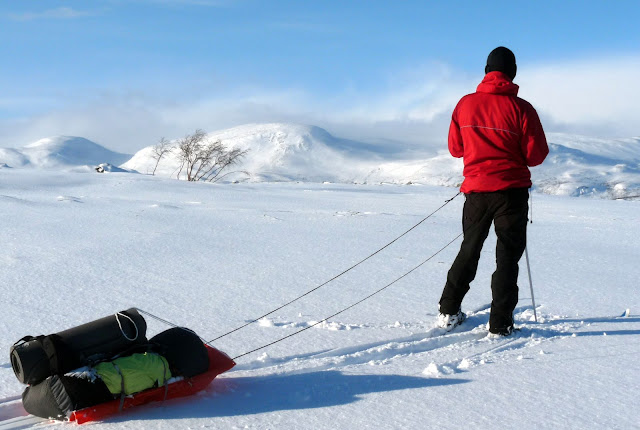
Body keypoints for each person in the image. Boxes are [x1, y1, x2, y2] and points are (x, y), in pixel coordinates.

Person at [436, 46, 549, 336]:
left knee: (469, 249)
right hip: (511, 193)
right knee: (507, 257)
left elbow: (455, 148)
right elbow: (536, 155)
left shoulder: (465, 104)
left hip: (476, 192)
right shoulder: (522, 109)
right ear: (513, 73)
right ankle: (500, 323)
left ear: (487, 71)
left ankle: (449, 311)